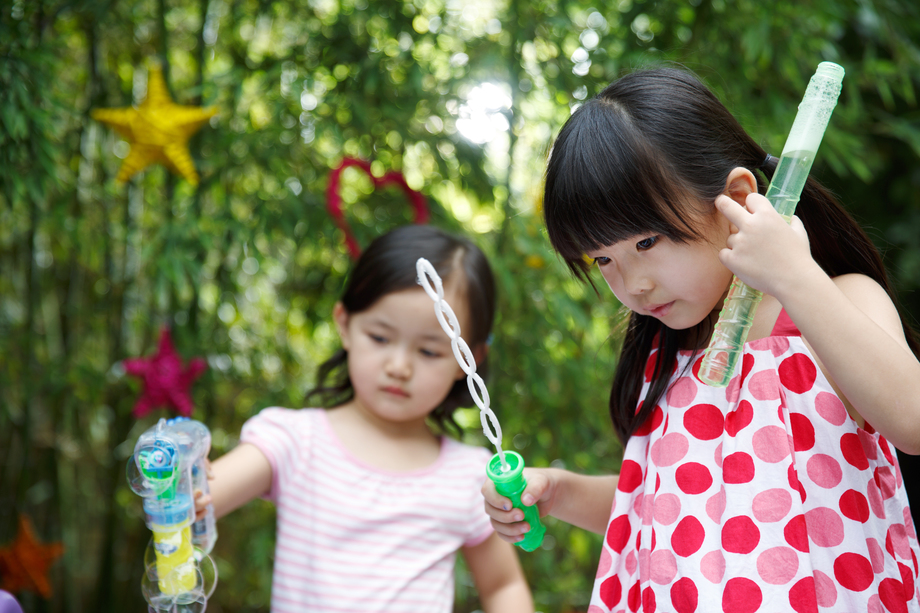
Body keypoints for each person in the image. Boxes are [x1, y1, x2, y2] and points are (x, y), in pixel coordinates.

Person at [483, 66, 920, 612]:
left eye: (647, 241)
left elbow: (912, 420)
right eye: (603, 260)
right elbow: (656, 514)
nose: (632, 285)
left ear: (735, 199)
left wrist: (796, 278)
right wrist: (559, 492)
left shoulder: (838, 301)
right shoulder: (668, 352)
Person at [197, 224, 534, 613]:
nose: (399, 366)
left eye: (428, 351)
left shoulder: (472, 477)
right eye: (380, 337)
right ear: (345, 324)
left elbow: (503, 586)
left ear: (467, 361)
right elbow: (197, 503)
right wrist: (184, 485)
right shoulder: (294, 442)